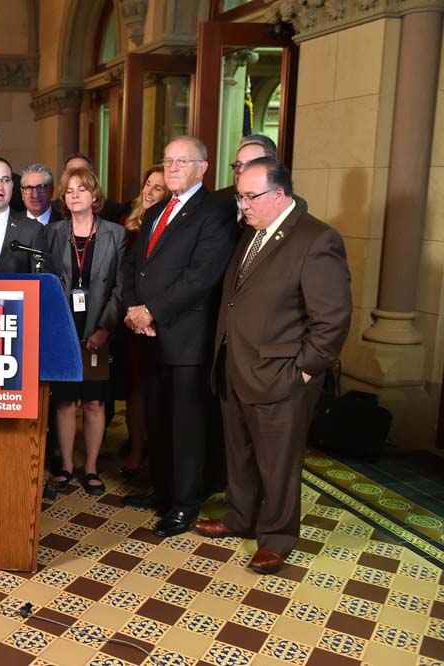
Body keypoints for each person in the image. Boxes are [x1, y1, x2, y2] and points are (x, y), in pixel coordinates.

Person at [195, 158, 351, 575]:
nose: (242, 205)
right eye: (240, 196)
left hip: (281, 376)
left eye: (250, 196)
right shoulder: (253, 233)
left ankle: (277, 538)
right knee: (240, 453)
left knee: (278, 464)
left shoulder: (317, 239)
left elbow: (331, 320)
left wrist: (303, 371)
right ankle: (239, 517)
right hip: (236, 367)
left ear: (279, 194)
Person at [121, 135, 238, 538]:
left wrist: (151, 311)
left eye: (181, 161)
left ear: (203, 167)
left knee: (186, 425)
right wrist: (133, 311)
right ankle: (162, 491)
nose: (171, 168)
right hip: (150, 334)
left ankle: (185, 505)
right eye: (168, 160)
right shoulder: (157, 211)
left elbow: (201, 276)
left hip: (186, 338)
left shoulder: (215, 213)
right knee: (158, 418)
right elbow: (135, 265)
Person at [45, 167, 127, 496]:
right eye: (69, 190)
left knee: (94, 402)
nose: (75, 194)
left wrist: (105, 328)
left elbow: (121, 286)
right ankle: (66, 465)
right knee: (64, 403)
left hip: (98, 328)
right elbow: (47, 284)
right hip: (63, 330)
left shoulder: (114, 234)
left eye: (82, 189)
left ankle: (90, 467)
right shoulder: (52, 233)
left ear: (95, 196)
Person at [114, 166, 166, 478]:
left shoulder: (168, 225)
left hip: (156, 320)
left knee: (152, 389)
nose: (149, 191)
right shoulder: (125, 224)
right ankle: (135, 448)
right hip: (130, 318)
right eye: (148, 184)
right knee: (134, 389)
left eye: (158, 188)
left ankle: (151, 448)